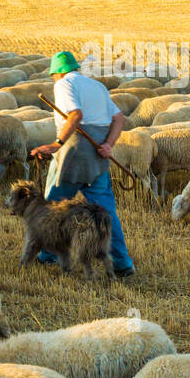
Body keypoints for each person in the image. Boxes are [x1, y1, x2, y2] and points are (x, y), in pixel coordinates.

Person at [30, 50, 135, 278]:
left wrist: (57, 144)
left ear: (58, 72)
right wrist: (108, 144)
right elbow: (119, 119)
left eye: (52, 75)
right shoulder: (97, 86)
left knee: (52, 207)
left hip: (74, 153)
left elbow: (75, 115)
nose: (53, 79)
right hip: (98, 155)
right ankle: (123, 263)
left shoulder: (63, 84)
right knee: (106, 212)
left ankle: (47, 256)